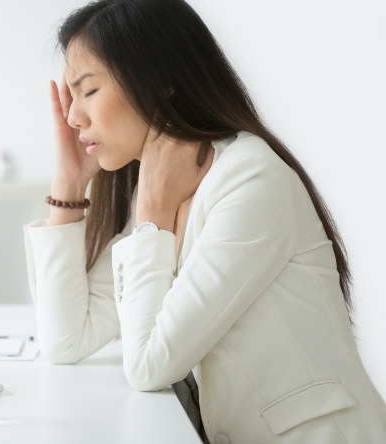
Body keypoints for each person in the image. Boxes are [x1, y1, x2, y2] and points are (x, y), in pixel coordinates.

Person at [22, 1, 386, 443]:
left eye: (89, 91)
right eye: (71, 96)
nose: (74, 116)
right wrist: (70, 184)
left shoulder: (251, 180)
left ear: (157, 82)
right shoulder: (161, 185)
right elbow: (66, 340)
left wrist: (152, 220)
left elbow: (149, 365)